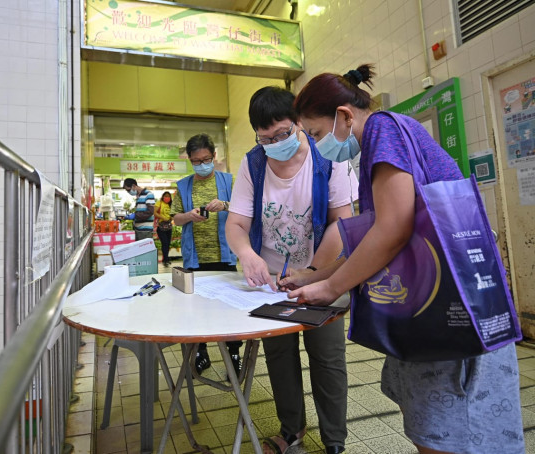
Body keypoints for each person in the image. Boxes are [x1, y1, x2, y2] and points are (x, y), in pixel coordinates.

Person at [285, 64, 525, 454]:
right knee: (436, 435)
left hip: (452, 314)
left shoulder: (382, 130)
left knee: (451, 440)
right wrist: (313, 276)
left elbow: (393, 229)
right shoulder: (384, 139)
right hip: (445, 307)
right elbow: (378, 239)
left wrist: (330, 287)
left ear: (344, 116)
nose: (317, 144)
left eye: (315, 133)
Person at [225, 86, 358, 454]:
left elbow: (341, 223)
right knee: (279, 357)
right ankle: (291, 431)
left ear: (299, 123)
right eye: (265, 138)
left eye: (282, 134)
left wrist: (313, 272)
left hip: (323, 277)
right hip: (271, 282)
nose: (275, 143)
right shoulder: (253, 163)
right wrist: (249, 256)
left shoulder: (328, 156)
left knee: (327, 359)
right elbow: (236, 224)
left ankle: (335, 441)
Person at [171, 133, 242, 377]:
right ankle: (201, 351)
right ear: (190, 160)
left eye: (206, 159)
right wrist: (189, 216)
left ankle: (234, 352)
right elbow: (175, 218)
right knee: (197, 309)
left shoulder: (229, 181)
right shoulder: (183, 185)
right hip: (195, 258)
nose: (202, 164)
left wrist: (225, 205)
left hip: (226, 256)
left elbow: (244, 211)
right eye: (196, 161)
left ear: (214, 156)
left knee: (229, 307)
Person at [154, 191, 173, 266]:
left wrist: (172, 217)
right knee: (164, 243)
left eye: (168, 196)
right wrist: (162, 217)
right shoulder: (159, 203)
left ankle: (166, 258)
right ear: (163, 196)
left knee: (168, 243)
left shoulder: (170, 204)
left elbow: (173, 213)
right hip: (161, 226)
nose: (167, 198)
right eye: (165, 196)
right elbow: (155, 212)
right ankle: (165, 259)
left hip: (169, 225)